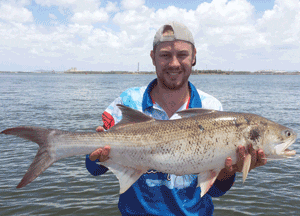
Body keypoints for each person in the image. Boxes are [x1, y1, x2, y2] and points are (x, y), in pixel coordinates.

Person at [86, 21, 267, 215]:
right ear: (153, 58)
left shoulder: (212, 108)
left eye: (182, 55)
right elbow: (93, 169)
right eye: (165, 55)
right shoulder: (128, 101)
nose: (174, 63)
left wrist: (230, 171)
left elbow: (216, 191)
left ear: (194, 57)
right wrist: (96, 157)